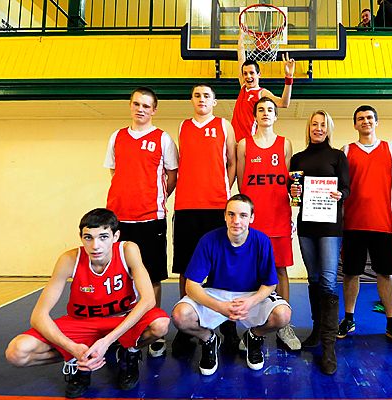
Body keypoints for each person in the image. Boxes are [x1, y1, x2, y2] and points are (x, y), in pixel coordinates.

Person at [5, 209, 170, 399]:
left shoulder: (127, 250)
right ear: (81, 237)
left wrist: (107, 341)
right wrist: (72, 349)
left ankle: (128, 352)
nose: (95, 245)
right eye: (88, 237)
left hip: (120, 319)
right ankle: (77, 361)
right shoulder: (69, 259)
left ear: (115, 236)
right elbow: (38, 316)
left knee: (160, 324)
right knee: (17, 353)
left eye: (103, 237)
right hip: (82, 322)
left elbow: (148, 300)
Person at [172, 194, 291, 375]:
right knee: (180, 316)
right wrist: (219, 306)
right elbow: (191, 285)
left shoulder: (262, 241)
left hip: (250, 294)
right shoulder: (209, 240)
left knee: (283, 315)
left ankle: (254, 337)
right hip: (216, 293)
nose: (236, 221)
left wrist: (250, 302)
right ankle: (208, 339)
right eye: (231, 214)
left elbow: (270, 284)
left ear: (252, 218)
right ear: (225, 216)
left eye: (243, 215)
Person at [103, 86, 177, 357]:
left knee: (152, 276)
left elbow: (172, 175)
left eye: (146, 105)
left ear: (154, 110)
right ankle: (121, 329)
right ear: (130, 105)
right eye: (137, 104)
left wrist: (155, 198)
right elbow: (115, 171)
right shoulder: (117, 137)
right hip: (119, 220)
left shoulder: (163, 139)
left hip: (151, 218)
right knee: (121, 277)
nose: (141, 109)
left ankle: (153, 329)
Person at [337, 105, 392, 349]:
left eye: (370, 117)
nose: (365, 121)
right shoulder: (346, 150)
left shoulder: (391, 149)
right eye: (360, 118)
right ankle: (348, 319)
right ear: (355, 124)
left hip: (382, 223)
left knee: (385, 273)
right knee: (351, 273)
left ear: (376, 122)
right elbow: (340, 186)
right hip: (353, 223)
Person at [172, 84, 237, 353]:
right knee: (186, 267)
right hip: (186, 206)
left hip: (216, 207)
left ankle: (228, 324)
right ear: (191, 99)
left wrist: (223, 191)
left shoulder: (223, 125)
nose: (202, 99)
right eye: (197, 95)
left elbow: (232, 162)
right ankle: (186, 327)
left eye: (206, 96)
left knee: (221, 267)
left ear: (214, 101)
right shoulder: (183, 127)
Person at [237, 97, 300, 351]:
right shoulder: (244, 144)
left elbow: (290, 182)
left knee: (281, 269)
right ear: (255, 115)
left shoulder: (285, 144)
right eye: (261, 109)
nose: (265, 113)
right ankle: (255, 327)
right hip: (254, 221)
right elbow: (241, 184)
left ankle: (284, 325)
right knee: (252, 273)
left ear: (276, 116)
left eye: (270, 110)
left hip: (279, 216)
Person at [289, 110, 350, 375]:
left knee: (327, 281)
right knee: (313, 279)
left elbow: (347, 188)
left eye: (323, 124)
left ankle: (328, 345)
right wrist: (293, 191)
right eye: (314, 124)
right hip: (306, 225)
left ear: (328, 128)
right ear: (309, 127)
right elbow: (293, 192)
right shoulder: (298, 158)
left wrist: (339, 194)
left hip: (330, 226)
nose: (318, 128)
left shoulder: (337, 156)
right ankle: (316, 329)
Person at [232, 31, 296, 142]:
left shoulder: (261, 93)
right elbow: (241, 55)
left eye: (252, 73)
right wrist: (242, 34)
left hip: (249, 142)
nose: (248, 76)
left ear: (259, 74)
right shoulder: (243, 87)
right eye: (245, 73)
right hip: (234, 142)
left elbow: (284, 103)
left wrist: (289, 77)